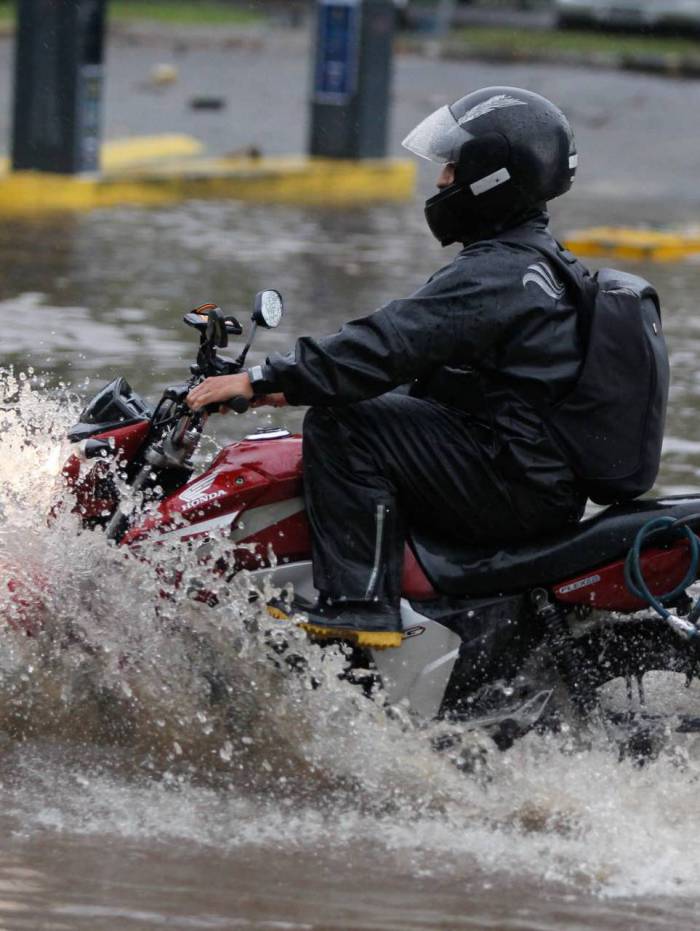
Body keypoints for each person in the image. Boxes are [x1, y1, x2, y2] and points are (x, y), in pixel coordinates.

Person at [187, 86, 588, 649]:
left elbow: (388, 341)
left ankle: (359, 606)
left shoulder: (498, 273)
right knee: (357, 410)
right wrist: (292, 388)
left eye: (452, 166)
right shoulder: (531, 266)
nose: (441, 180)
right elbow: (417, 361)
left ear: (491, 176)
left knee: (343, 425)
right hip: (527, 472)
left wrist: (264, 377)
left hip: (512, 480)